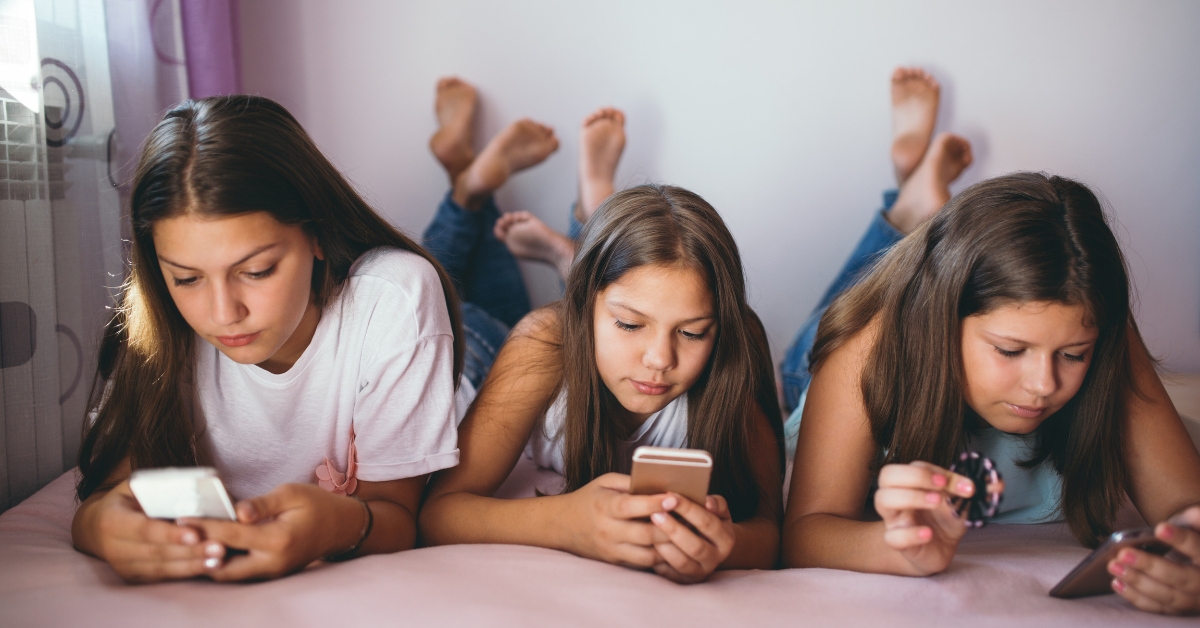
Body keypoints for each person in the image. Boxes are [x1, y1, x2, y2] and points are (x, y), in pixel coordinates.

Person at [780, 68, 1200, 617]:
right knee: (811, 346)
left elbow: (1186, 508)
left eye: (1073, 355)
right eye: (1010, 350)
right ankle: (909, 209)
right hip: (831, 363)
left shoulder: (1103, 333)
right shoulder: (868, 349)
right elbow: (804, 533)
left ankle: (918, 204)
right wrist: (894, 549)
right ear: (941, 322)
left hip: (937, 285)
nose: (1044, 385)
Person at [70, 96, 465, 583]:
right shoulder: (158, 325)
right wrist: (103, 528)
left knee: (482, 297)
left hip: (451, 361)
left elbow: (397, 516)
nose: (223, 315)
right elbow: (102, 500)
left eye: (256, 271)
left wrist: (336, 525)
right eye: (187, 279)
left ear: (318, 234)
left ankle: (468, 195)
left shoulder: (395, 296)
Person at [416, 79, 784, 584]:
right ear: (583, 307)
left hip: (571, 315)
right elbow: (438, 512)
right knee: (441, 292)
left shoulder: (736, 348)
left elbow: (769, 528)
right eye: (630, 325)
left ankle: (563, 210)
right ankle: (468, 189)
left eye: (693, 333)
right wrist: (567, 522)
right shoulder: (546, 342)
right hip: (481, 355)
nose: (660, 359)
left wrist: (726, 543)